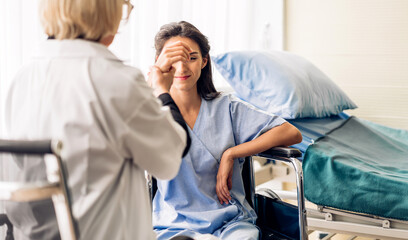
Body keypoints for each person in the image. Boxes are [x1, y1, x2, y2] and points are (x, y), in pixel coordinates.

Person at [2, 0, 191, 239]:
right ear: (107, 14)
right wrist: (161, 91)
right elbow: (170, 159)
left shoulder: (23, 78)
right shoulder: (115, 80)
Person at [151, 21, 303, 240]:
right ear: (159, 63)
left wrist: (231, 153)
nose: (182, 68)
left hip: (230, 223)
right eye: (174, 60)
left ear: (204, 62)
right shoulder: (148, 112)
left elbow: (290, 132)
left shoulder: (227, 107)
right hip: (174, 224)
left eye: (192, 58)